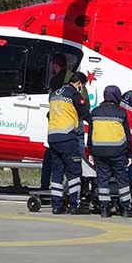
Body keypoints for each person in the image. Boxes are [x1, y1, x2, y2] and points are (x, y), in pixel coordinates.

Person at [41, 53, 88, 193]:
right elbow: (84, 107)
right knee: (75, 163)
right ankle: (76, 193)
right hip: (72, 128)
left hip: (55, 128)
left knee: (55, 165)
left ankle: (47, 189)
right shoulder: (76, 84)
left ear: (55, 65)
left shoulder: (56, 82)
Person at [87, 85, 132, 218]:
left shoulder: (94, 112)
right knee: (122, 180)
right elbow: (127, 136)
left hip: (99, 152)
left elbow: (90, 135)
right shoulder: (121, 113)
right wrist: (129, 153)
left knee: (102, 180)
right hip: (117, 151)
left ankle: (104, 209)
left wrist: (91, 151)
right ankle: (125, 209)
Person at [47, 72, 90, 214]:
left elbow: (49, 114)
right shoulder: (74, 94)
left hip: (53, 137)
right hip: (67, 137)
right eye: (82, 86)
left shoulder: (54, 94)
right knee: (74, 171)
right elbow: (84, 111)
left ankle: (56, 205)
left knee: (57, 172)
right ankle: (74, 205)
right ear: (79, 83)